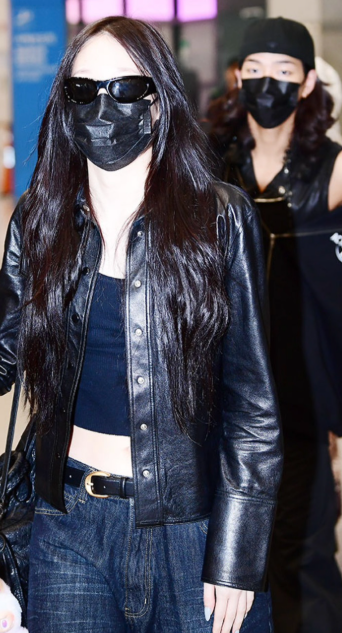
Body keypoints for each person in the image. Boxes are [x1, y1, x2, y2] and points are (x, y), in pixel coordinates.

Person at [0, 17, 282, 633]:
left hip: (189, 529)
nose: (103, 106)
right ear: (64, 104)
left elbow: (253, 405)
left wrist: (237, 554)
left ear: (159, 98)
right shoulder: (40, 219)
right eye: (84, 89)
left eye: (125, 88)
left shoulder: (218, 218)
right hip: (67, 523)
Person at [207, 16, 342, 633]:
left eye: (284, 71)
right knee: (227, 551)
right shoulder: (209, 164)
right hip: (221, 391)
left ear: (308, 82)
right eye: (255, 70)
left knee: (303, 548)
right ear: (237, 77)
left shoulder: (330, 169)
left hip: (301, 393)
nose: (268, 84)